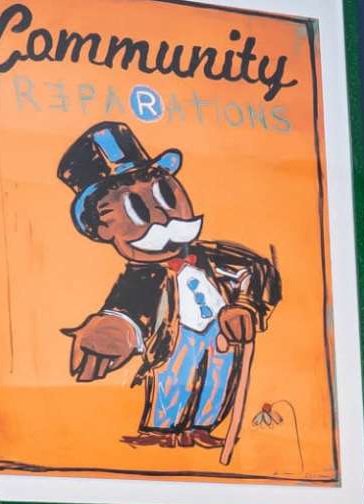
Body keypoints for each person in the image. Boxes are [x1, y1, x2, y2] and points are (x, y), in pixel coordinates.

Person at [54, 122, 281, 453]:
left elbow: (254, 271)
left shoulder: (216, 256)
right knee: (174, 381)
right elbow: (126, 310)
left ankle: (202, 427)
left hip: (220, 336)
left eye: (165, 194)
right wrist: (116, 330)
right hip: (174, 340)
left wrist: (244, 306)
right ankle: (163, 430)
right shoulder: (141, 278)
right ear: (103, 229)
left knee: (217, 380)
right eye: (137, 208)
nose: (163, 216)